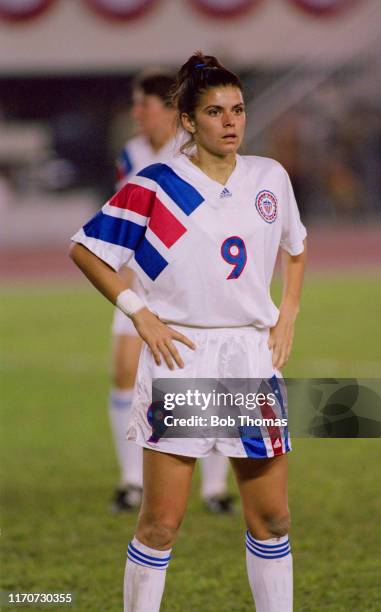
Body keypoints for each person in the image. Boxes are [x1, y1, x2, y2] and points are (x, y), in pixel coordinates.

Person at [70, 52, 306, 612]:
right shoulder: (157, 185)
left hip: (249, 358)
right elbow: (86, 248)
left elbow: (296, 248)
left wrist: (288, 311)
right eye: (215, 111)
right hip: (185, 358)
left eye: (238, 109)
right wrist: (138, 311)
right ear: (188, 121)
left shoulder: (270, 177)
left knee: (272, 518)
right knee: (161, 525)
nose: (231, 121)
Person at [109, 71, 233, 513]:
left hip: (189, 285)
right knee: (124, 370)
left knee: (210, 380)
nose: (136, 114)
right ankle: (131, 481)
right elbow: (126, 218)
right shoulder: (132, 153)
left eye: (143, 105)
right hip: (140, 281)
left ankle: (214, 487)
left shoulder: (195, 151)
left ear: (168, 110)